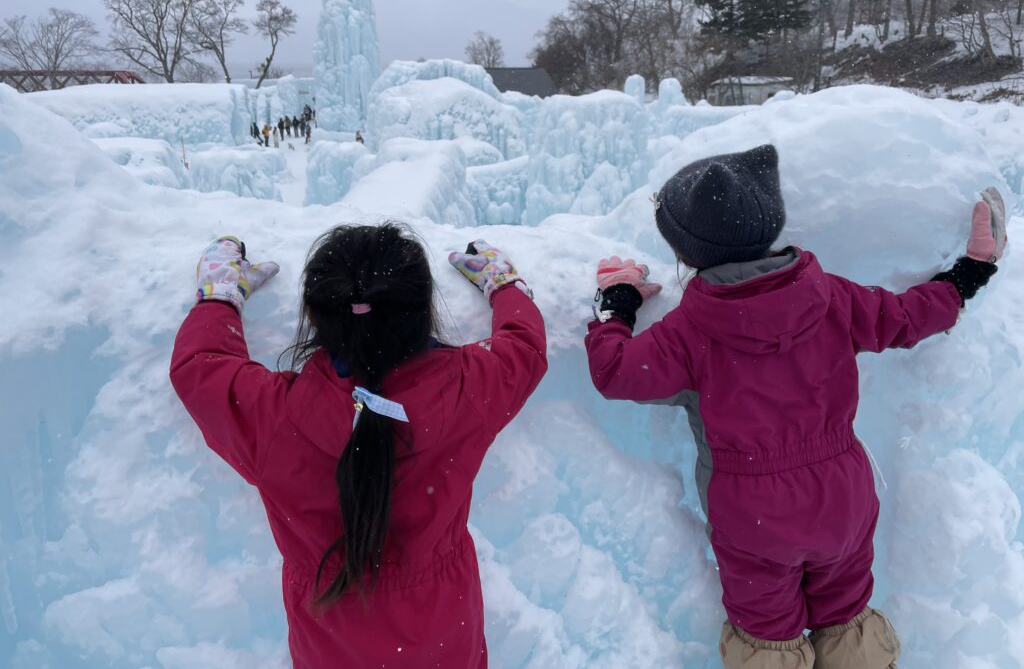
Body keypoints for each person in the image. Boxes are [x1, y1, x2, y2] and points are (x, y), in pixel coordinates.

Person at [584, 144, 1005, 669]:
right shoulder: (830, 295)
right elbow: (906, 317)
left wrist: (617, 302)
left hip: (752, 516)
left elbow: (617, 373)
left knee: (767, 641)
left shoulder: (690, 331)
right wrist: (971, 271)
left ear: (688, 253)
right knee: (848, 620)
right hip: (843, 499)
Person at [170, 228, 547, 668]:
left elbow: (200, 367)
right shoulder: (466, 393)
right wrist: (503, 284)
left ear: (314, 314)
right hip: (445, 634)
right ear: (424, 309)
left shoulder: (273, 418)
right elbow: (525, 348)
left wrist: (219, 297)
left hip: (331, 645)